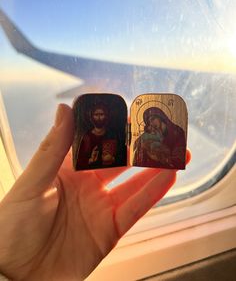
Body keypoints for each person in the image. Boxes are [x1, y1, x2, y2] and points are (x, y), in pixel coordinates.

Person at [0, 104, 190, 281]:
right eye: (149, 122)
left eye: (155, 121)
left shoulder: (175, 134)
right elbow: (139, 146)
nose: (152, 125)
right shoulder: (141, 138)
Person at [76, 104, 126, 169]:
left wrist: (113, 159)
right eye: (96, 115)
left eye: (101, 114)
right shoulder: (87, 137)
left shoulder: (112, 134)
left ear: (106, 116)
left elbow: (122, 155)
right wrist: (90, 160)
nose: (99, 117)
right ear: (91, 117)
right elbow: (80, 161)